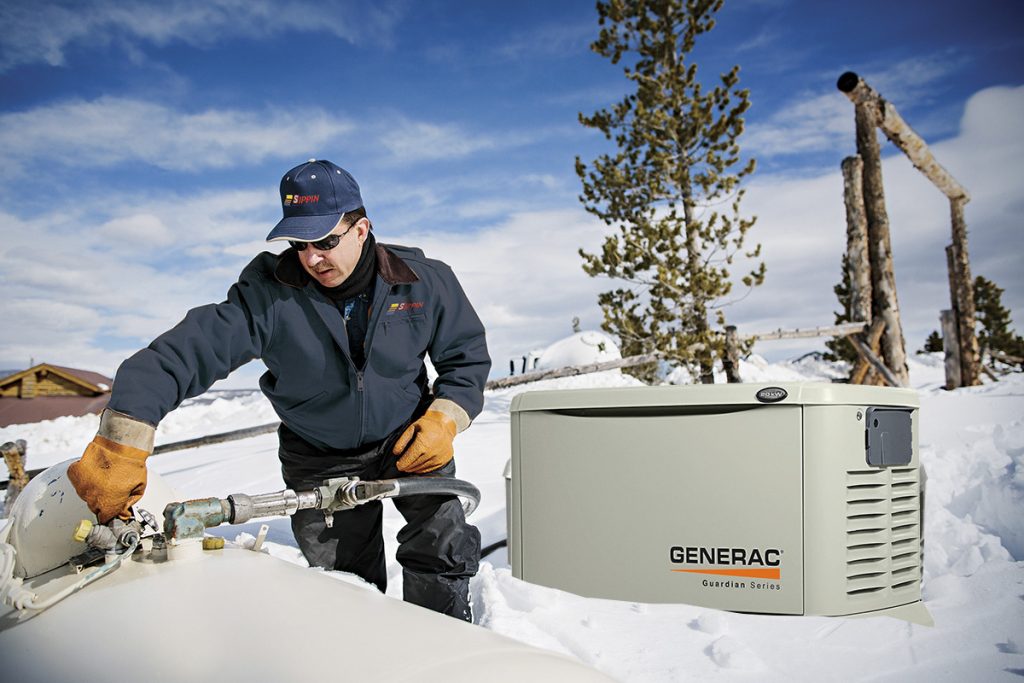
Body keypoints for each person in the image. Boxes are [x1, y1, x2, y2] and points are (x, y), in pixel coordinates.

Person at [68, 159, 491, 620]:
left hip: (412, 441)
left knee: (442, 543)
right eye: (300, 244)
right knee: (345, 583)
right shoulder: (268, 296)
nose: (312, 258)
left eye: (326, 241)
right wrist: (121, 440)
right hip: (320, 455)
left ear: (362, 228)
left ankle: (447, 645)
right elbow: (181, 355)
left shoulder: (425, 281)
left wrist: (445, 418)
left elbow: (465, 359)